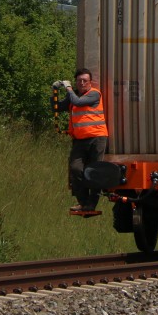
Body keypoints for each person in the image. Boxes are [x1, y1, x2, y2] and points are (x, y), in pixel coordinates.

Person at [53, 68, 108, 213]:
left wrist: (69, 88)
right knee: (75, 169)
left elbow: (77, 101)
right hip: (79, 140)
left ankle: (91, 204)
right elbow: (56, 108)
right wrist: (54, 90)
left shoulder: (94, 94)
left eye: (85, 80)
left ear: (90, 82)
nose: (82, 83)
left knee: (95, 171)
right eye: (79, 81)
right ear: (76, 82)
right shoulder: (74, 96)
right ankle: (82, 202)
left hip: (97, 138)